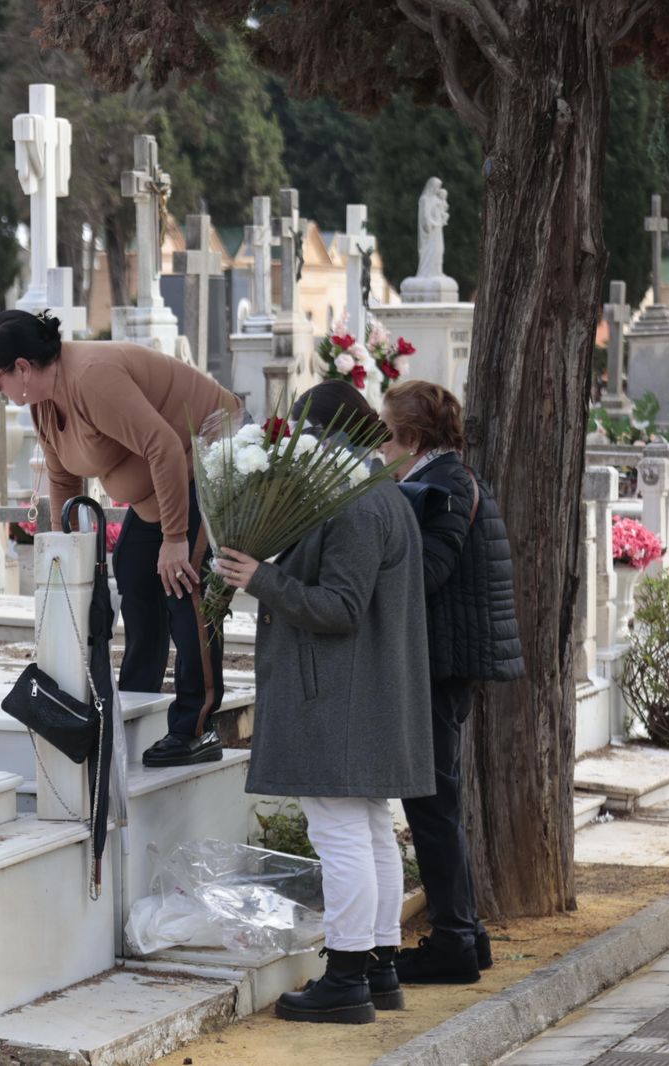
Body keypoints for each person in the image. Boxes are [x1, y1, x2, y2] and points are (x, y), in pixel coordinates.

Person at [215, 380, 434, 1024]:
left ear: (327, 436)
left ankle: (346, 978)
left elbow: (340, 608)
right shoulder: (373, 491)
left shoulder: (357, 503)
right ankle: (378, 966)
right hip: (358, 693)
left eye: (306, 437)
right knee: (368, 831)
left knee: (341, 833)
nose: (301, 450)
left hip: (339, 696)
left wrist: (262, 578)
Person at [0, 309, 244, 767]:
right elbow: (63, 479)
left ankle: (196, 728)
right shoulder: (43, 401)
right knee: (134, 572)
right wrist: (69, 552)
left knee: (184, 587)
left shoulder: (91, 378)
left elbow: (161, 445)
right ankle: (137, 699)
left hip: (203, 460)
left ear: (22, 367)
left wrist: (176, 539)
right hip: (157, 491)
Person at [379, 380, 525, 985]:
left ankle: (455, 944)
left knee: (432, 804)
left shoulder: (440, 484)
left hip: (441, 662)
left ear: (412, 438)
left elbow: (432, 570)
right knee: (439, 800)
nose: (379, 447)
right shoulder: (446, 479)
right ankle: (468, 933)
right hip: (448, 656)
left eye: (385, 434)